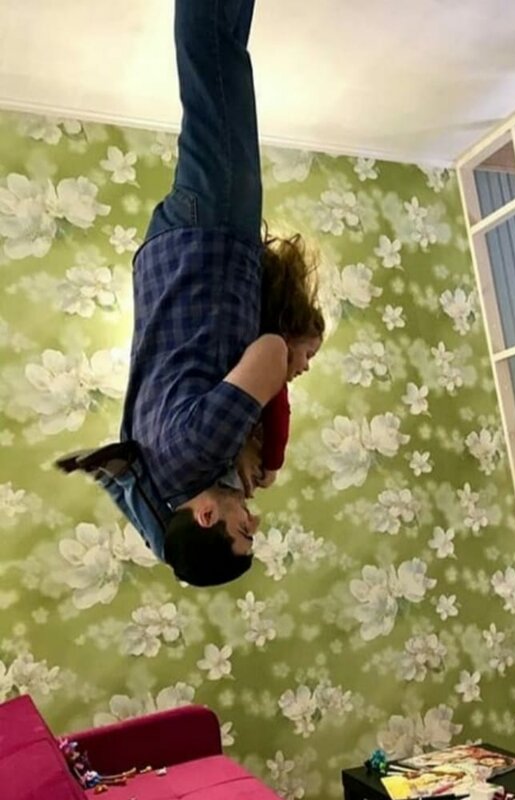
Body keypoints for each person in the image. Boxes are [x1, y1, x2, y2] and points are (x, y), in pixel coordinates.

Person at [56, 0, 324, 586]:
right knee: (224, 76)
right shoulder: (166, 481)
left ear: (205, 517)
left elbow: (273, 352)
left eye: (243, 531)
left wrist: (251, 444)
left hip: (207, 248)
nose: (253, 520)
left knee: (216, 76)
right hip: (185, 254)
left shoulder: (197, 454)